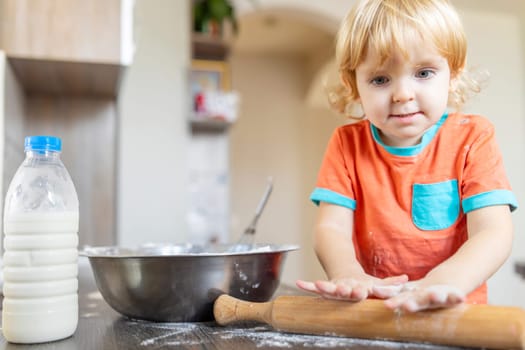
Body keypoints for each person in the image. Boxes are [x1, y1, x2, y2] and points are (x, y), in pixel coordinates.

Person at [296, 0, 518, 312]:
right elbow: (331, 228)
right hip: (378, 311)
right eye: (380, 79)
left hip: (454, 311)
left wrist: (444, 281)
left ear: (453, 73)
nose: (402, 94)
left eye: (424, 72)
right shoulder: (347, 144)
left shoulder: (473, 137)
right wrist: (347, 273)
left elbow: (493, 233)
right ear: (354, 86)